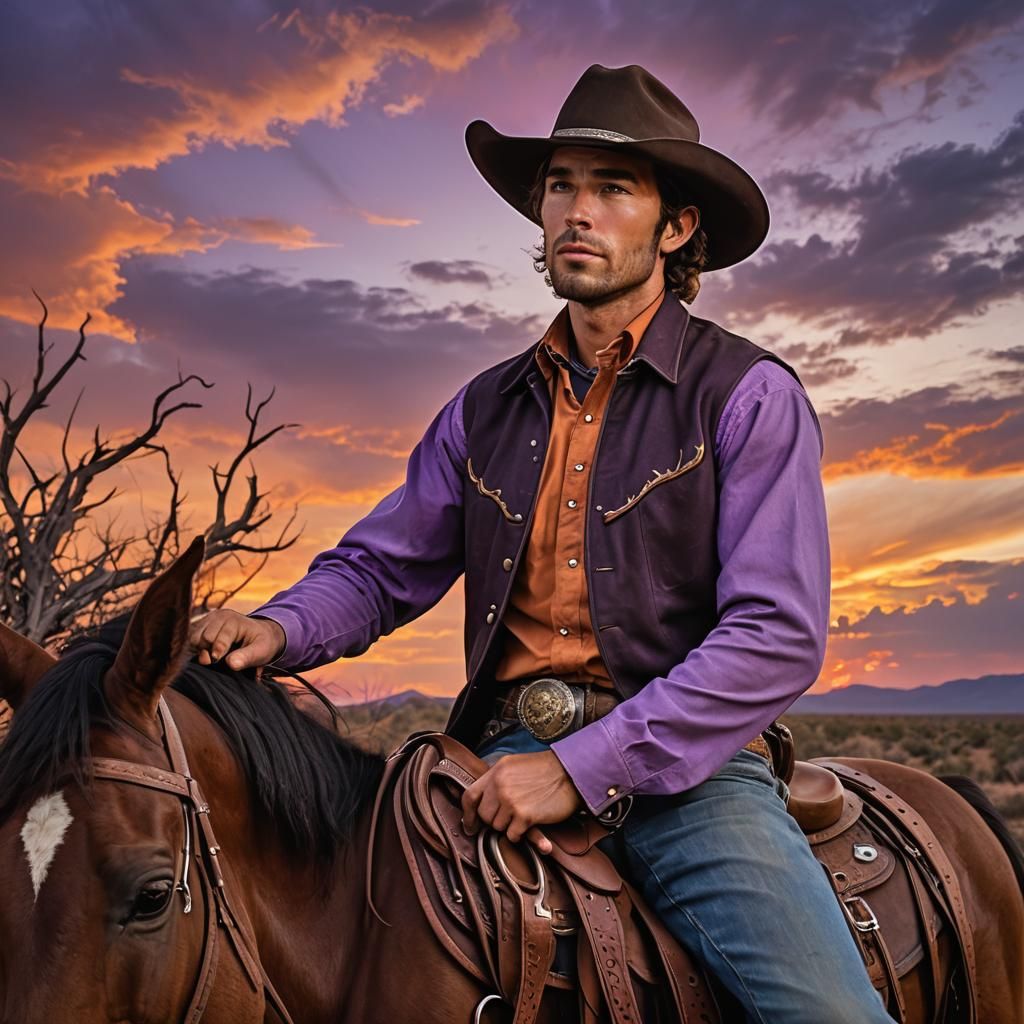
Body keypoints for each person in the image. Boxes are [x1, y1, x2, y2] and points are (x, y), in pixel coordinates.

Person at [190, 64, 892, 1023]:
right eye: (562, 184)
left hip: (688, 767)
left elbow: (775, 636)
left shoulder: (747, 395)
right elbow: (382, 567)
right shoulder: (484, 409)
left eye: (613, 188)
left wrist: (582, 766)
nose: (577, 211)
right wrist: (276, 630)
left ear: (676, 226)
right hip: (491, 756)